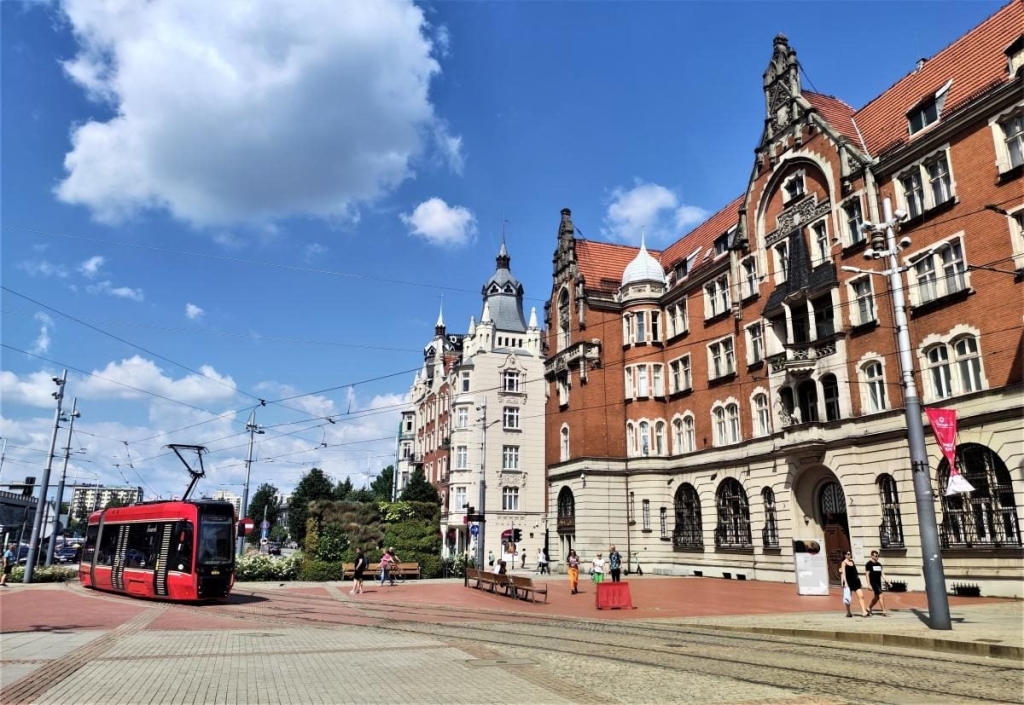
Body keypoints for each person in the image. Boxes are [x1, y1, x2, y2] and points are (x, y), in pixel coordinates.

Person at [840, 551, 869, 618]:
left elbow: (855, 571)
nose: (849, 555)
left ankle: (864, 612)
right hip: (848, 582)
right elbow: (843, 573)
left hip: (855, 581)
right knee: (847, 598)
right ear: (845, 555)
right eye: (848, 554)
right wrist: (845, 583)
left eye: (850, 554)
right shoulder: (843, 563)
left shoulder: (852, 562)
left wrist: (858, 579)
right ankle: (848, 612)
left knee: (861, 596)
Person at [864, 550, 889, 616]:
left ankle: (868, 608)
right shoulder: (868, 564)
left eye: (878, 556)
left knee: (877, 597)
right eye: (875, 556)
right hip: (873, 583)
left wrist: (887, 581)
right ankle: (884, 611)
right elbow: (867, 574)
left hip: (879, 583)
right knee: (881, 595)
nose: (877, 557)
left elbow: (882, 574)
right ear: (872, 556)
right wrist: (869, 584)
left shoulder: (879, 564)